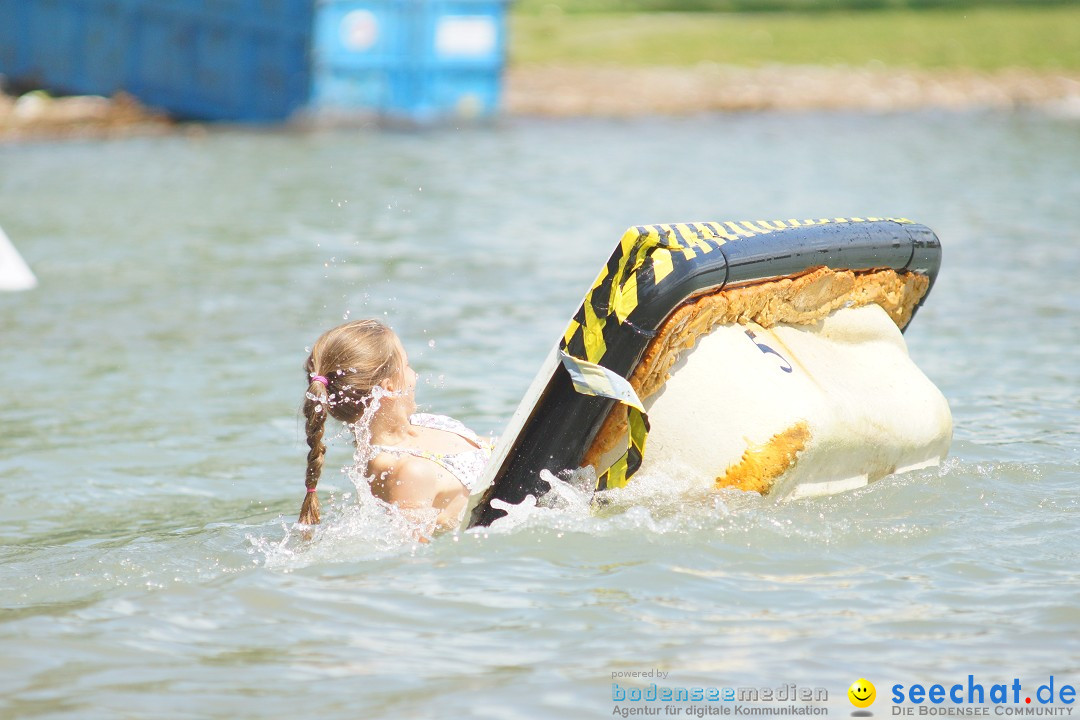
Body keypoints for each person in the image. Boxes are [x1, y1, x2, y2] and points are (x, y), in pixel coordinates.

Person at [297, 319, 492, 533]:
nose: (415, 374)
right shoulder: (408, 472)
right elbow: (413, 556)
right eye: (407, 366)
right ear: (389, 387)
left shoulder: (427, 423)